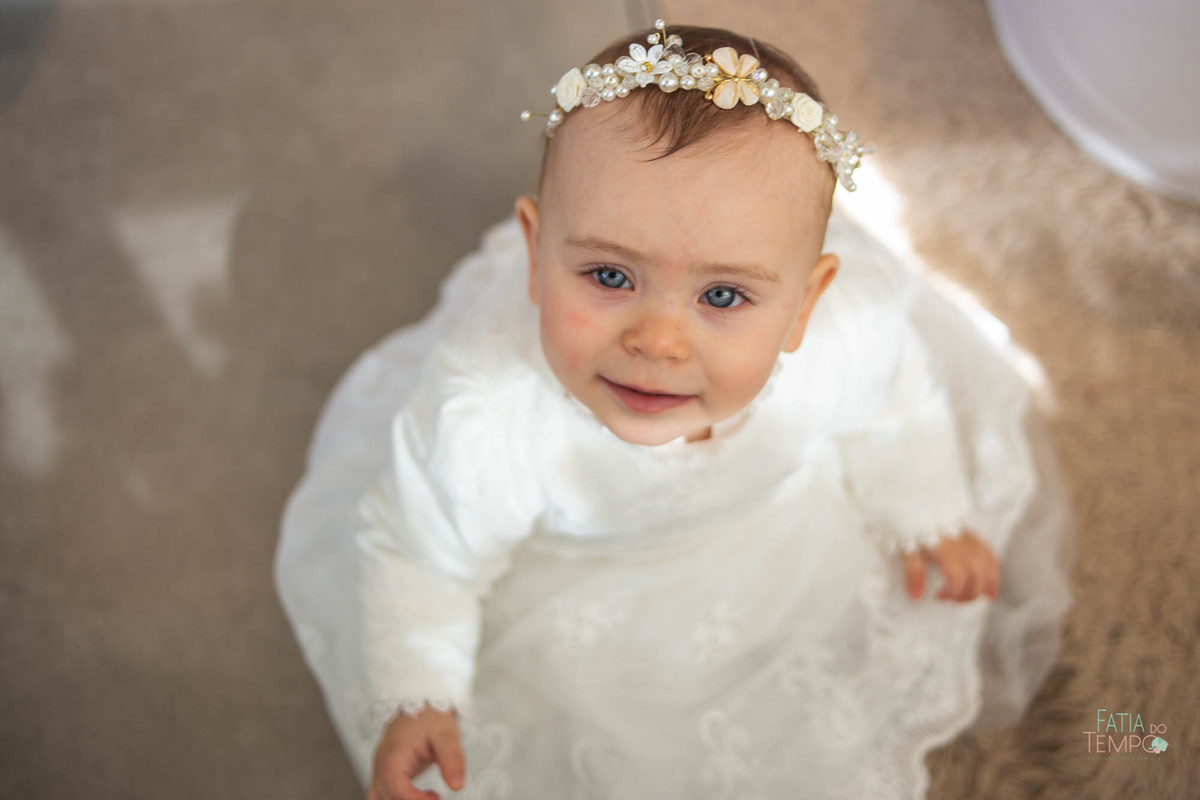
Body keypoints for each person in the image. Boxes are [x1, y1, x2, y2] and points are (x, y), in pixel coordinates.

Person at [274, 21, 1074, 800]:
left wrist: (922, 510)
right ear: (534, 249)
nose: (657, 340)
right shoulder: (487, 413)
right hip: (583, 584)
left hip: (772, 534)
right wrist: (421, 688)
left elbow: (896, 409)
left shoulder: (846, 338)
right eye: (609, 277)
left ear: (803, 307)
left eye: (722, 296)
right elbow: (424, 555)